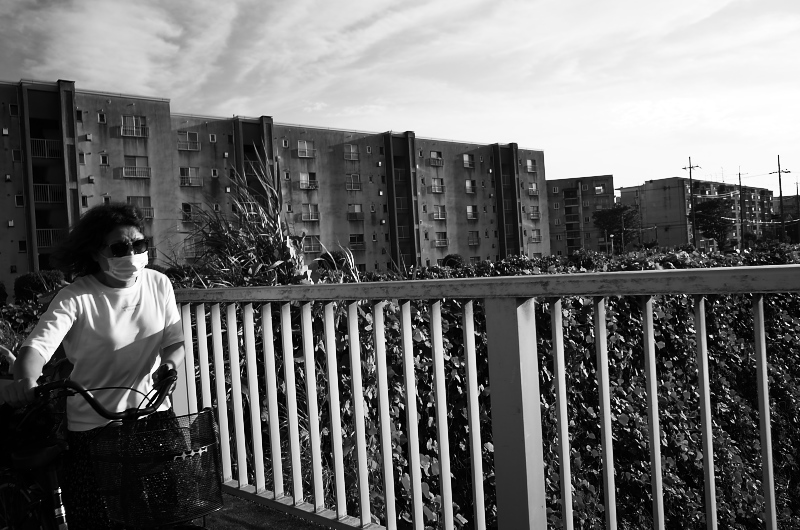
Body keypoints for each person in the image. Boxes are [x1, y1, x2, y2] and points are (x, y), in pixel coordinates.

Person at [0, 203, 185, 529]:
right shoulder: (76, 297)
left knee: (168, 512)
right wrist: (26, 380)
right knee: (100, 519)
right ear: (95, 252)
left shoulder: (159, 284)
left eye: (139, 245)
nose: (132, 255)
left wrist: (168, 365)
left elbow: (174, 340)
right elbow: (36, 348)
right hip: (95, 428)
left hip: (153, 415)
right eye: (119, 248)